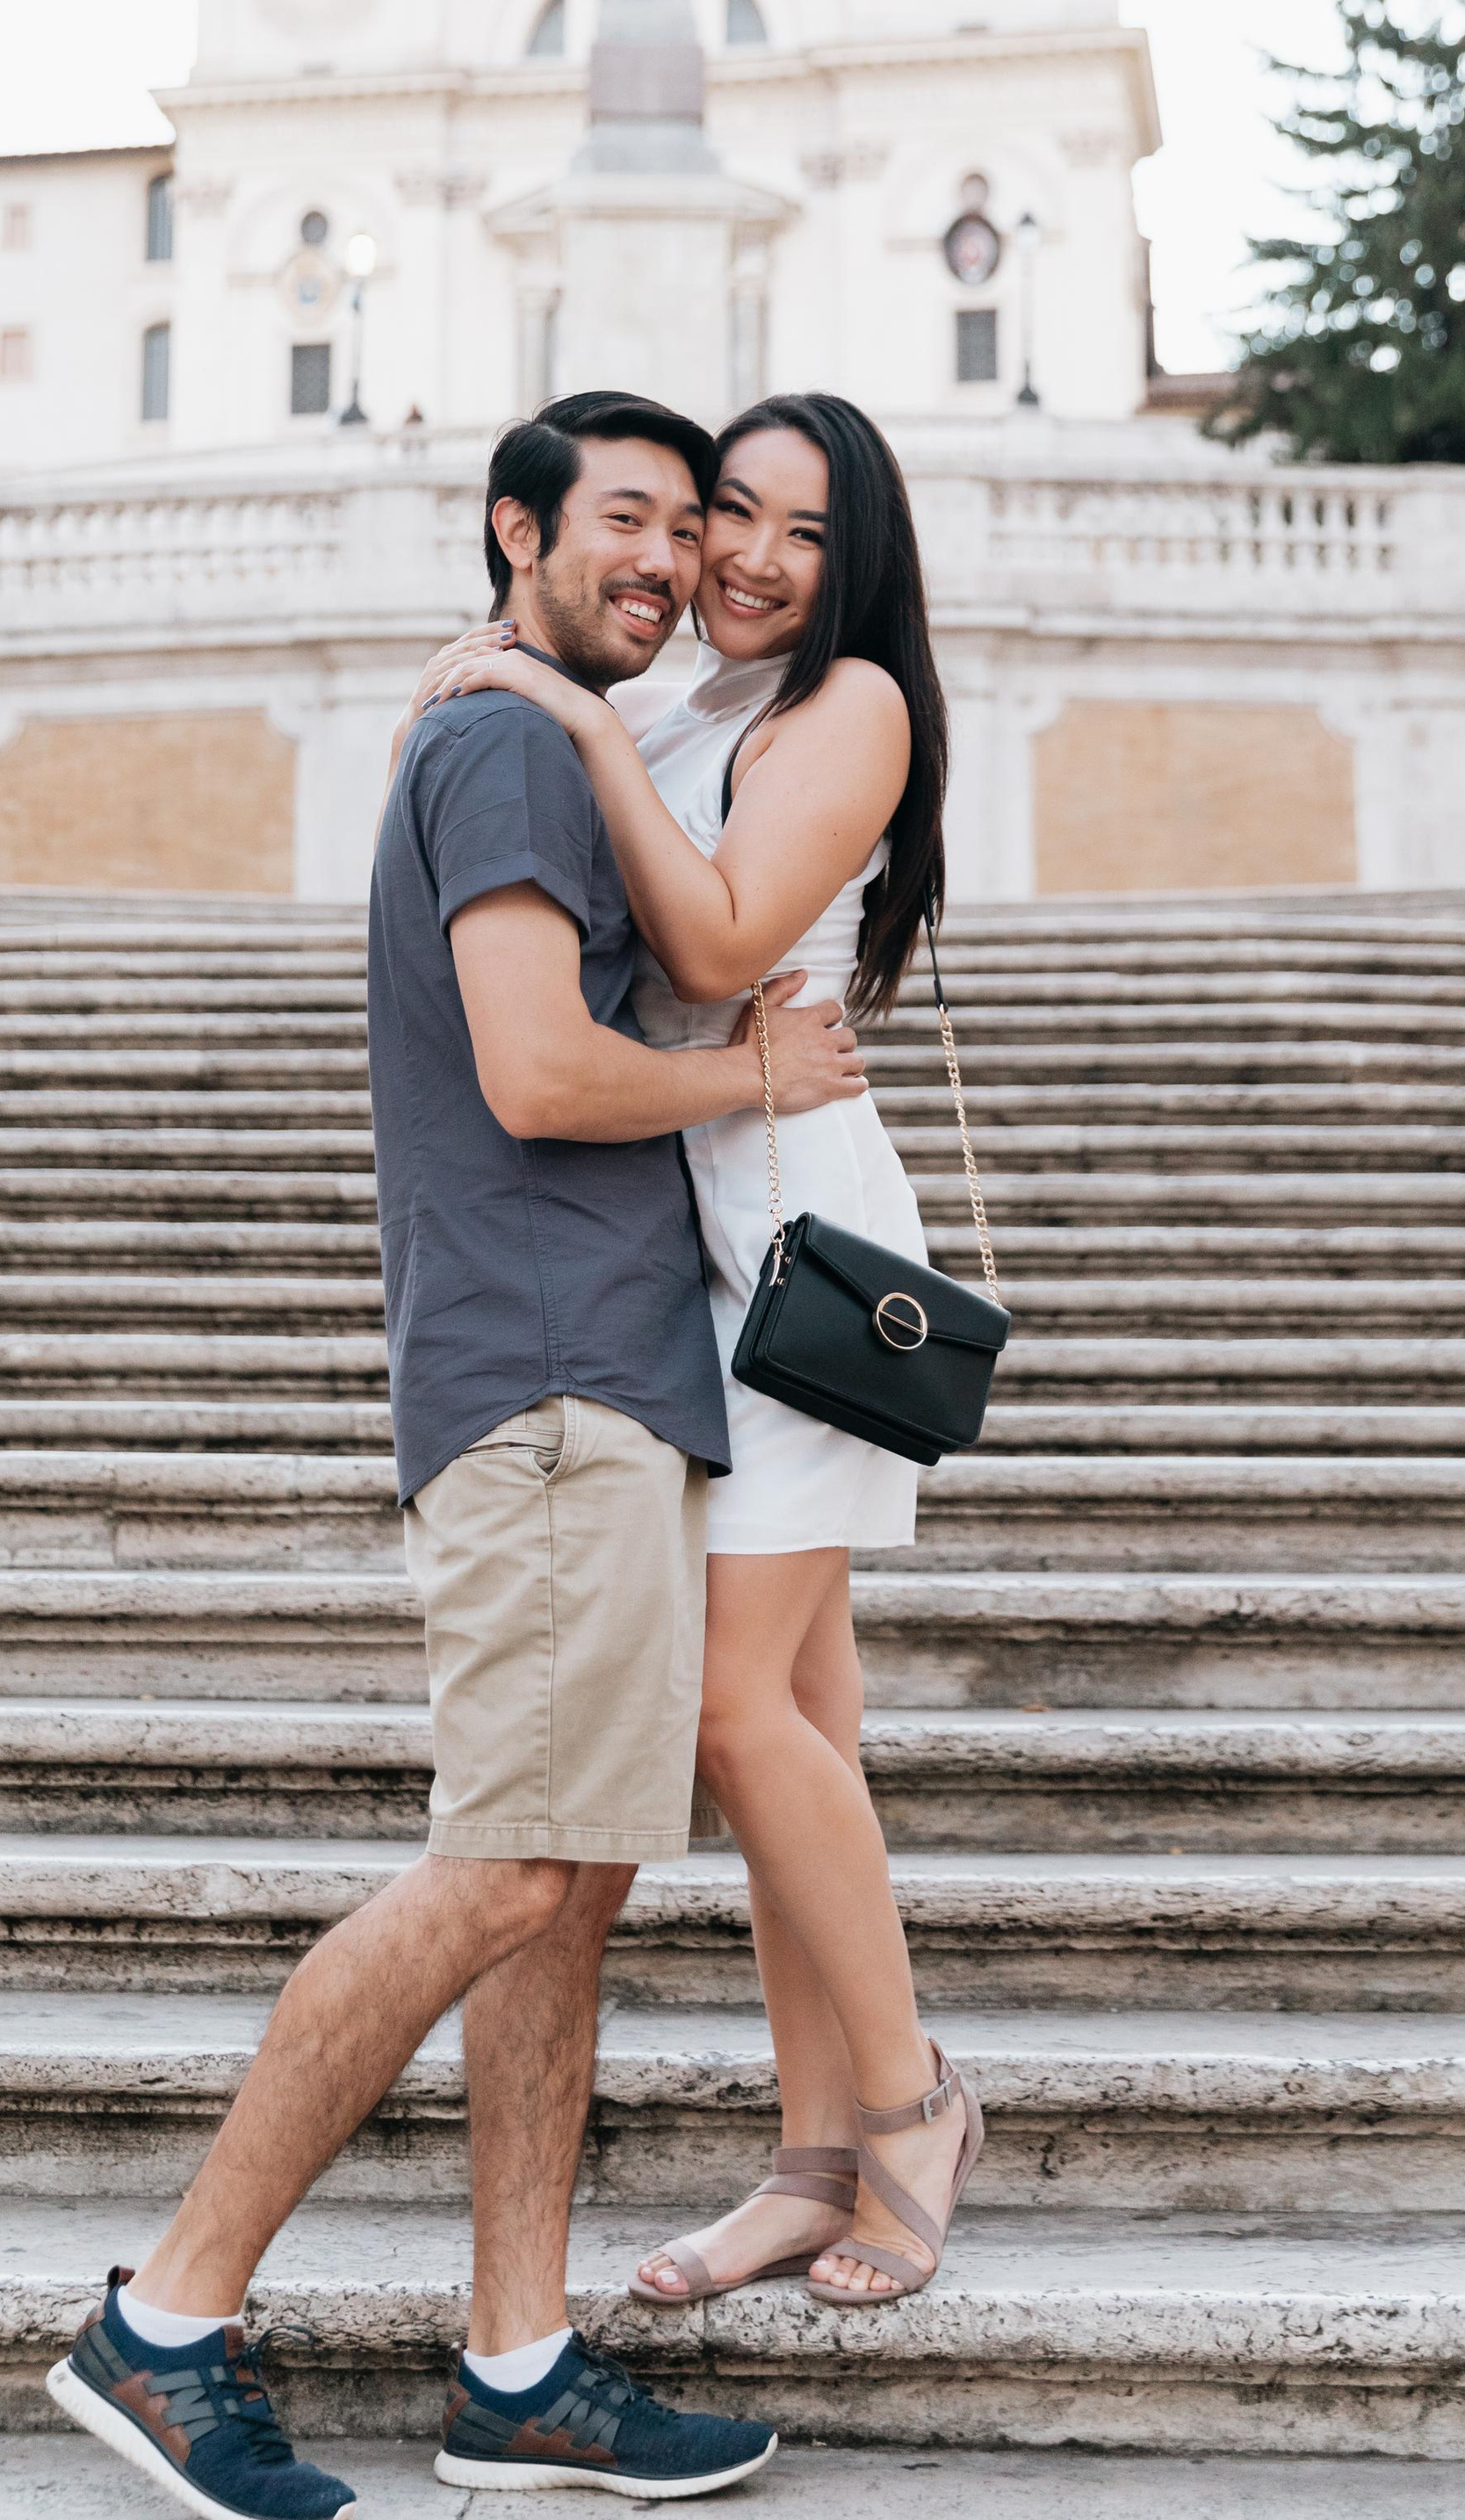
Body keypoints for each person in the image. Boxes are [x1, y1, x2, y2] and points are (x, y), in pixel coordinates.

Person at [49, 390, 864, 2517]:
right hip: (545, 1381)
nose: (668, 562)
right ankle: (163, 2320)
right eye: (624, 519)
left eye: (687, 530)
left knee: (567, 1890)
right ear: (512, 530)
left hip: (603, 1378)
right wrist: (751, 1073)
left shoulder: (536, 730)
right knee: (506, 1863)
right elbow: (533, 1066)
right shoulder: (501, 738)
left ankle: (517, 2363)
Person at [409, 392, 983, 2322]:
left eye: (799, 534)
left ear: (859, 565)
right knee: (793, 1739)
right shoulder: (680, 700)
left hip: (797, 1240)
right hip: (683, 1232)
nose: (739, 556)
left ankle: (909, 2113)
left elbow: (728, 937)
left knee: (738, 1717)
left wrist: (567, 715)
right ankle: (810, 2162)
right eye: (727, 512)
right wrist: (526, 683)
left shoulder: (852, 709)